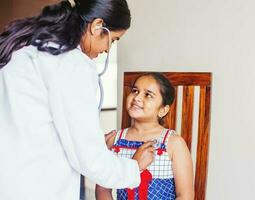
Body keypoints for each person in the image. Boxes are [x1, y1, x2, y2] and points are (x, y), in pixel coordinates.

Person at [0, 0, 156, 199]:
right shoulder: (72, 64)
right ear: (97, 26)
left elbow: (36, 125)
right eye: (113, 40)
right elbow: (90, 160)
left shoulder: (26, 51)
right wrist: (135, 167)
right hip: (39, 188)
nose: (108, 49)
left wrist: (91, 140)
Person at [96, 72, 194, 200]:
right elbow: (103, 189)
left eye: (148, 95)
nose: (137, 97)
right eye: (135, 91)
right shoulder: (115, 140)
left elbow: (185, 196)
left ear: (162, 110)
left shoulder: (173, 143)